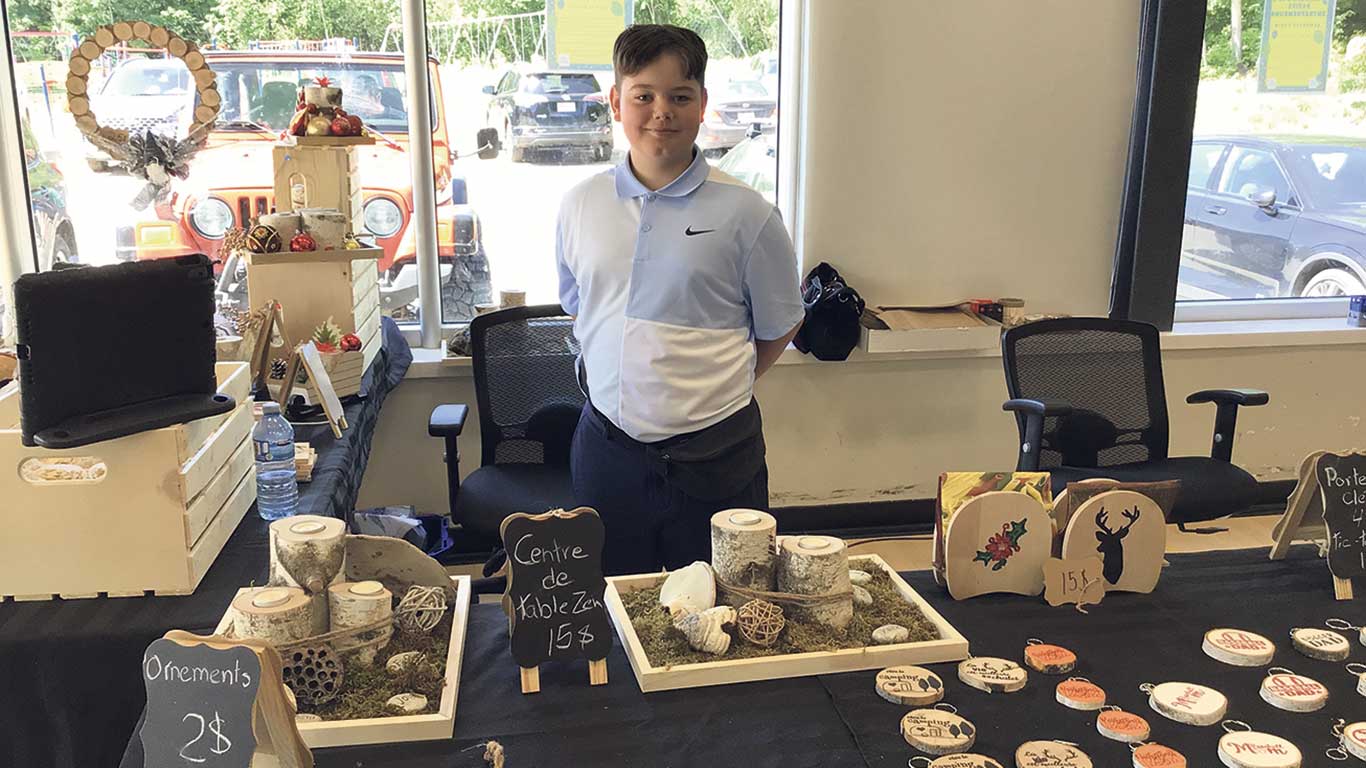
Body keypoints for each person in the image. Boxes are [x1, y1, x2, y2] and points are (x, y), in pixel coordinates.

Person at [555, 25, 804, 575]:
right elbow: (581, 306)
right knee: (611, 605)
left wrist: (713, 386)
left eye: (679, 96)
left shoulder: (749, 213)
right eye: (643, 95)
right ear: (616, 102)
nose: (660, 111)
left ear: (702, 104)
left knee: (724, 610)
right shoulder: (580, 205)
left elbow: (779, 325)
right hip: (608, 453)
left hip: (717, 458)